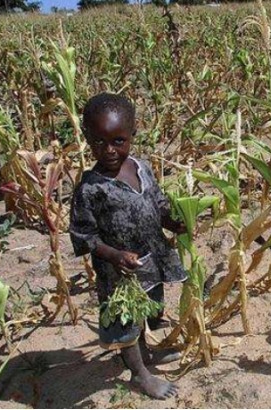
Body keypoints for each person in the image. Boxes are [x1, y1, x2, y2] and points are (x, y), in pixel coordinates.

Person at [69, 92, 187, 400]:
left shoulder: (141, 167)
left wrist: (174, 222)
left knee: (151, 309)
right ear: (87, 138)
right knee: (126, 322)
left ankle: (147, 353)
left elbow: (158, 203)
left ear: (133, 134)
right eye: (98, 142)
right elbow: (84, 236)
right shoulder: (91, 188)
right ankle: (140, 374)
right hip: (119, 274)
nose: (108, 150)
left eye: (118, 141)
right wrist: (114, 255)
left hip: (152, 259)